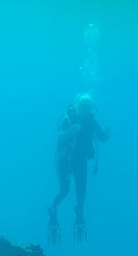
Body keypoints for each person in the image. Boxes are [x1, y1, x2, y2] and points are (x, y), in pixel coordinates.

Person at [48, 93, 109, 246]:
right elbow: (59, 137)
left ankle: (79, 215)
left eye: (88, 106)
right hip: (65, 161)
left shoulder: (91, 121)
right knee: (64, 191)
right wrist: (71, 131)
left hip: (80, 161)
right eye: (83, 106)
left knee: (81, 193)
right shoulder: (68, 118)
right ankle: (53, 211)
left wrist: (106, 134)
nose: (85, 109)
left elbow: (101, 137)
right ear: (77, 105)